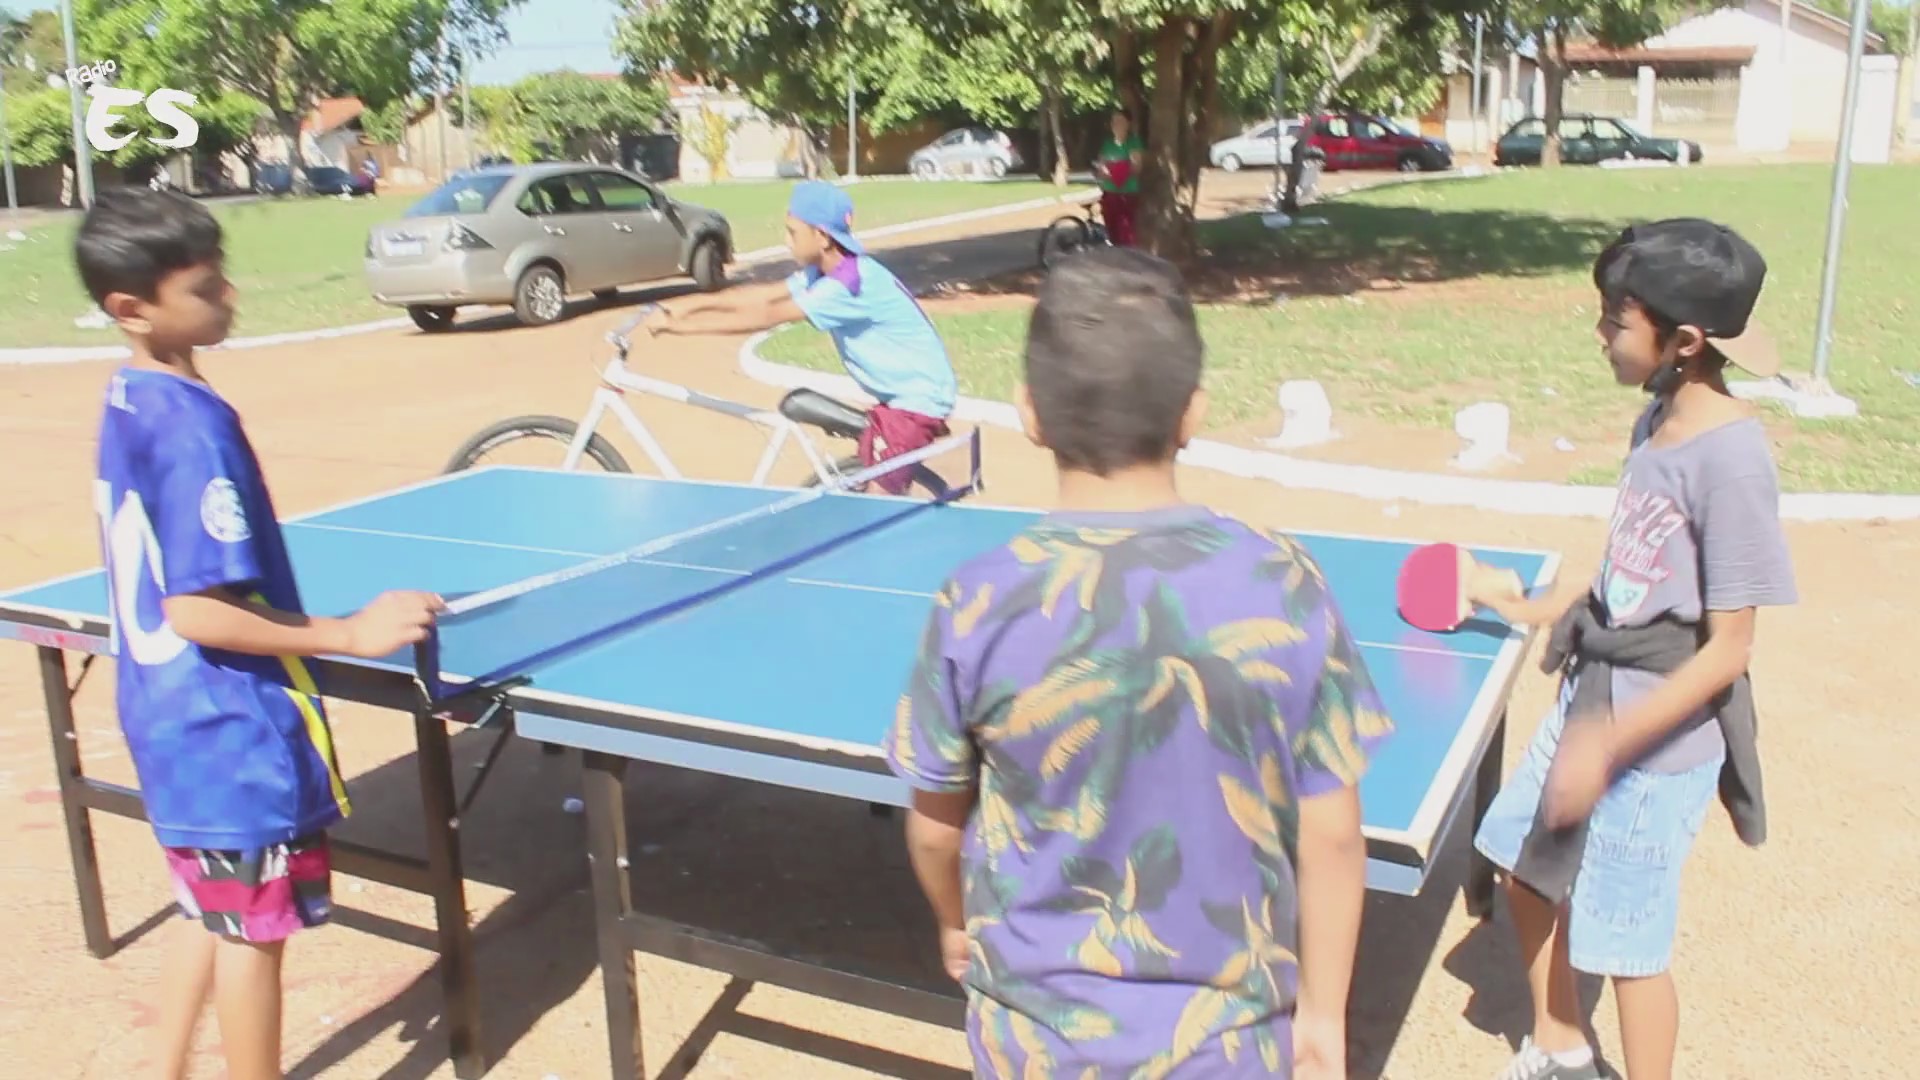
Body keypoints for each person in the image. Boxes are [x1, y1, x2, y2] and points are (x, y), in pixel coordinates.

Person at [883, 246, 1390, 1078]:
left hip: (1035, 1043)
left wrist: (951, 921)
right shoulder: (1284, 581)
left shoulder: (976, 601)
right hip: (1229, 1041)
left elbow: (936, 828)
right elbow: (1332, 836)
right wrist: (1324, 1018)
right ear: (1192, 414)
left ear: (1028, 414)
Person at [74, 187, 444, 1080]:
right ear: (132, 308)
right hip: (229, 730)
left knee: (211, 904)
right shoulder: (194, 429)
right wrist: (351, 632)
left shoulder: (131, 393)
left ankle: (162, 1067)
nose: (230, 296)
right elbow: (199, 610)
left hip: (166, 721)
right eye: (205, 288)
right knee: (257, 931)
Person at [1468, 218, 1797, 1080]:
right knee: (1523, 872)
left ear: (1682, 341)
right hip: (1595, 704)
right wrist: (1530, 603)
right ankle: (1562, 1044)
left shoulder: (1731, 460)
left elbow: (1729, 650)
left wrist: (1607, 752)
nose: (1600, 333)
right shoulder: (1655, 419)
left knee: (1627, 945)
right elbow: (1629, 580)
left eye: (1616, 319)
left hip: (1657, 744)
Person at [642, 180, 958, 494]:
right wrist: (684, 307)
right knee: (869, 497)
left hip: (916, 404)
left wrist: (678, 328)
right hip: (903, 397)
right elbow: (763, 297)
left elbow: (765, 316)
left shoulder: (846, 286)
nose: (786, 240)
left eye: (793, 232)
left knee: (878, 509)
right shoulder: (828, 270)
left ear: (821, 236)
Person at [1092, 111, 1144, 246]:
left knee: (1126, 232)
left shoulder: (1133, 143)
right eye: (1114, 121)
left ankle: (1128, 258)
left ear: (1128, 124)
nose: (1116, 125)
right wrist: (1105, 171)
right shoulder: (1107, 144)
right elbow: (1101, 164)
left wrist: (1117, 172)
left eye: (1120, 121)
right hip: (1110, 192)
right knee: (1112, 228)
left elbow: (1136, 167)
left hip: (1127, 193)